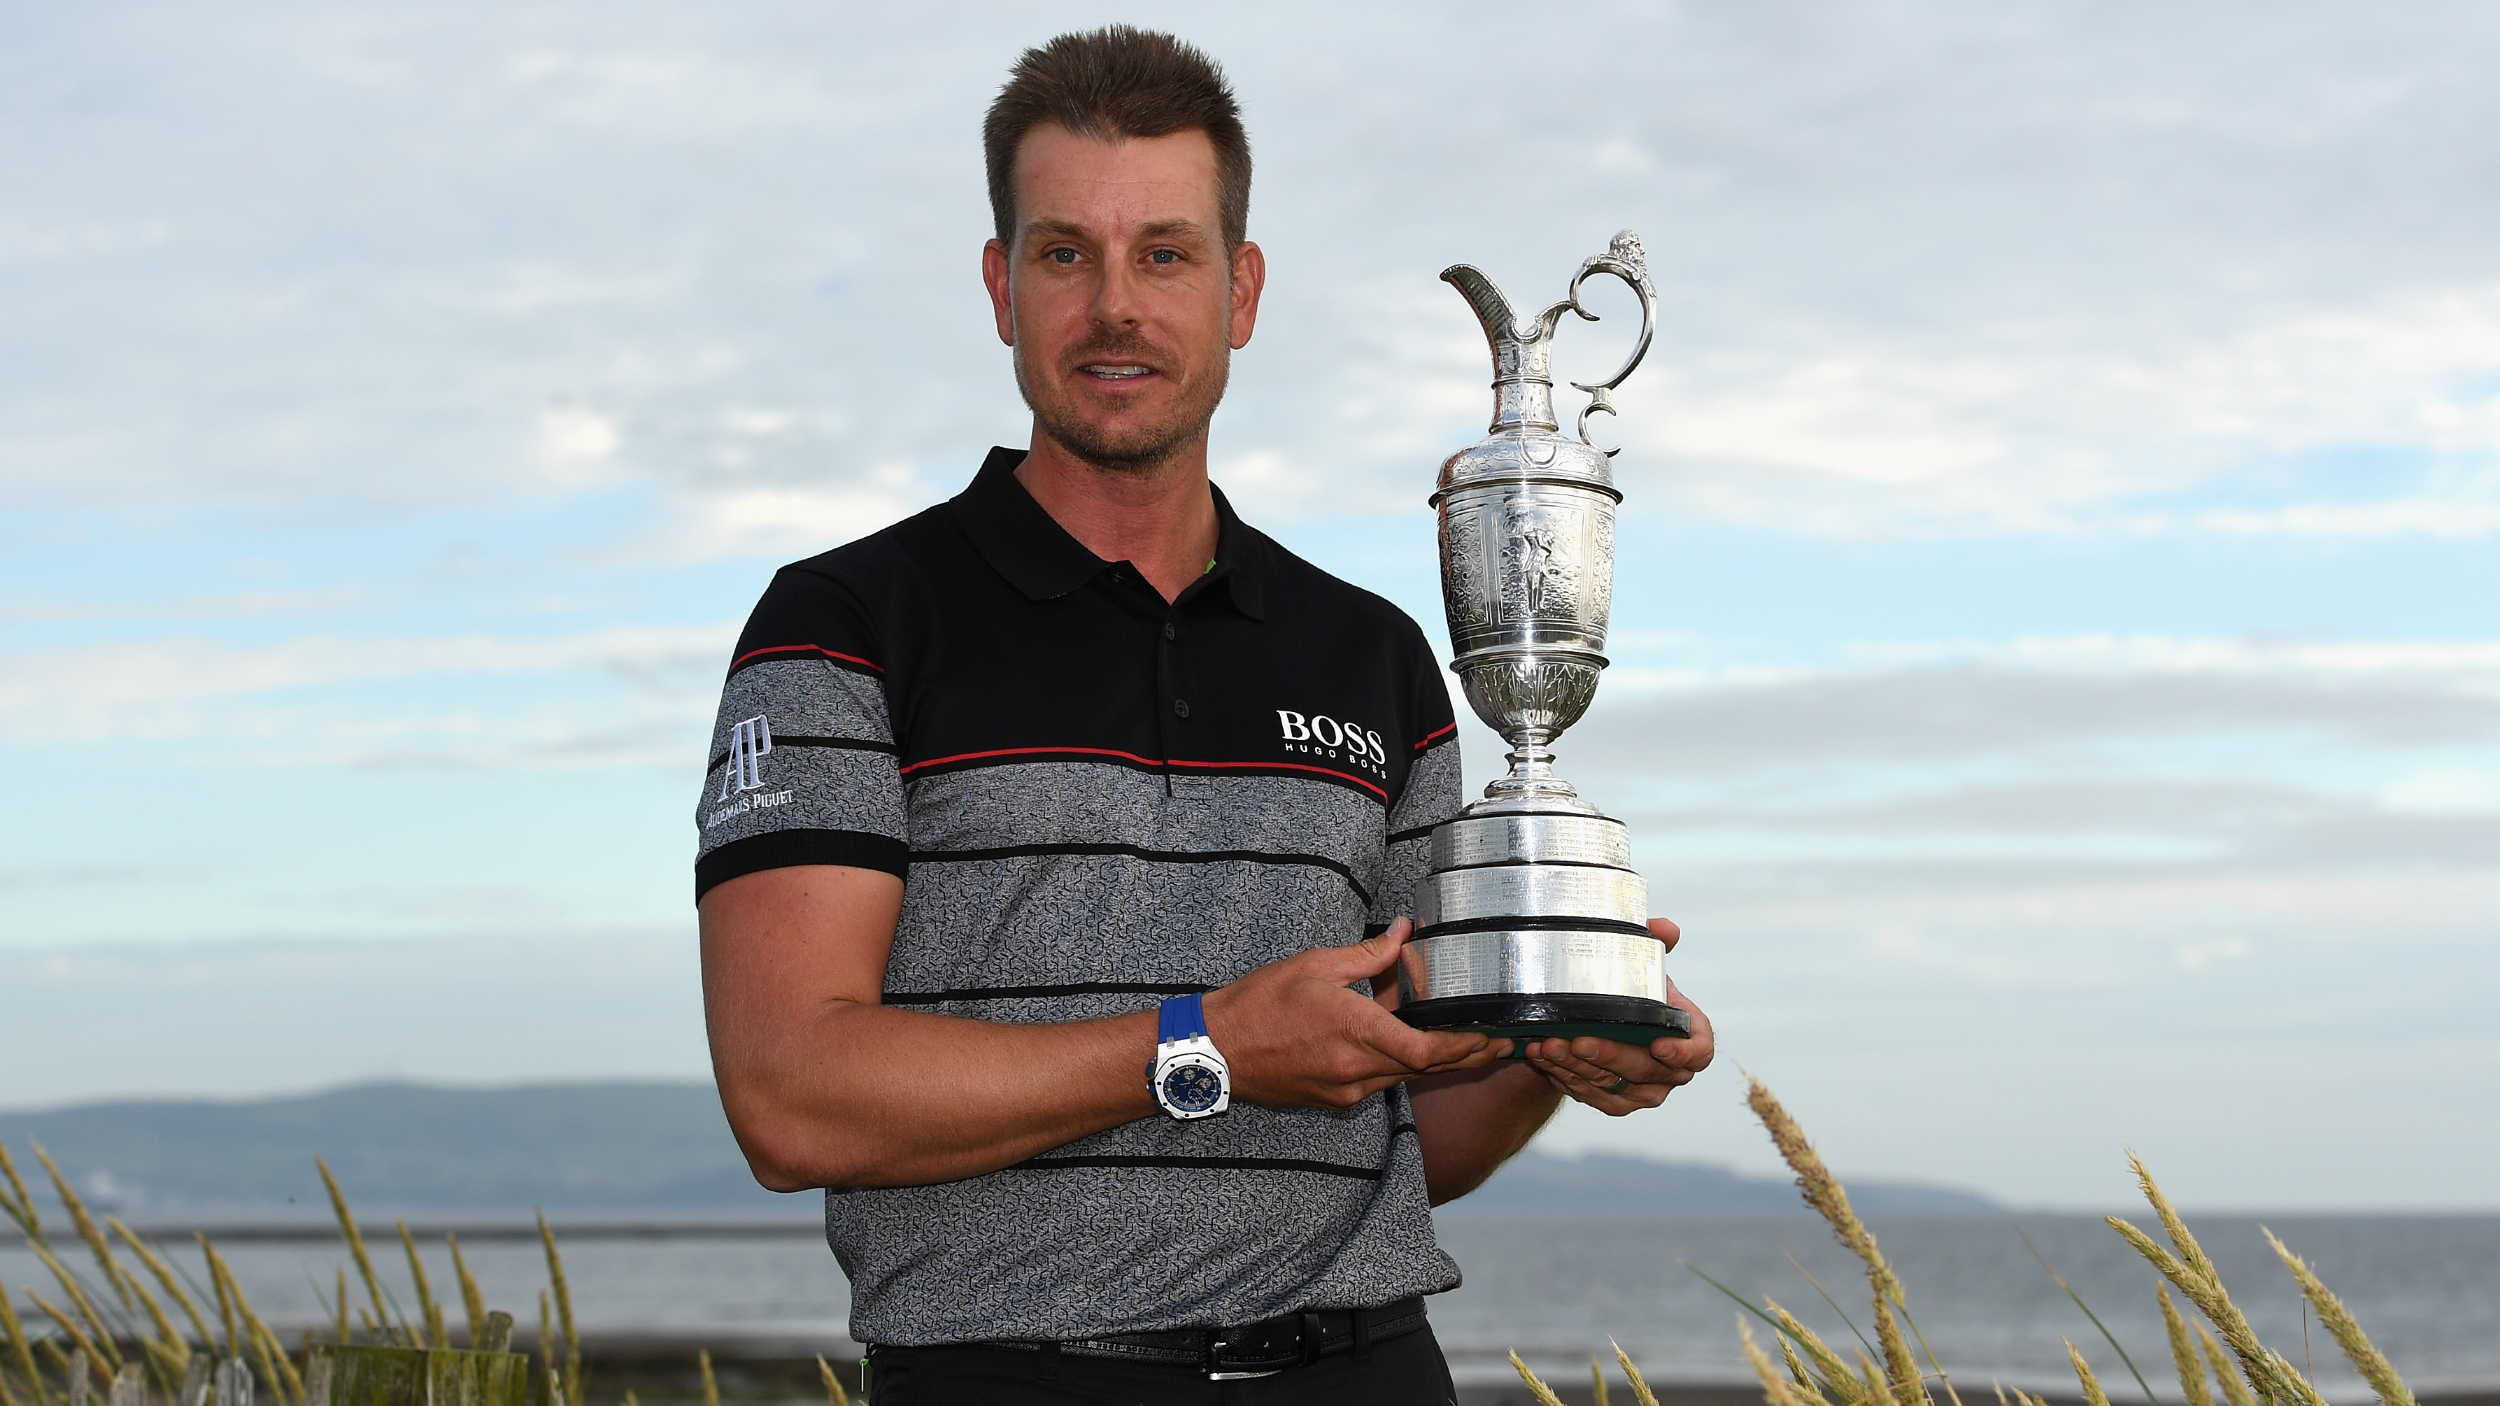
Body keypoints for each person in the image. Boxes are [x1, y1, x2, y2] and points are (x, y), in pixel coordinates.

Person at [695, 26, 1714, 1404]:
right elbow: (788, 1091)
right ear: (1002, 288)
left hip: (1364, 1371)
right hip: (1014, 1377)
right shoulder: (848, 623)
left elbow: (1418, 1120)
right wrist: (1209, 1046)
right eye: (1066, 253)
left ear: (1240, 290)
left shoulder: (1374, 654)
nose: (1117, 305)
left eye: (1165, 253)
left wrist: (1561, 1034)